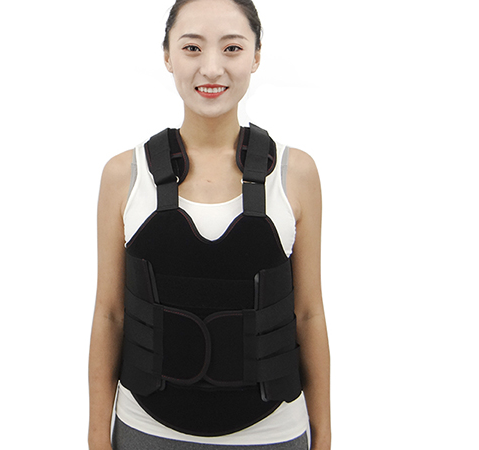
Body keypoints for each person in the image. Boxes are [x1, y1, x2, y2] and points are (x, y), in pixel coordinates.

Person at [88, 0, 331, 448]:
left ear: (256, 56)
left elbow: (309, 313)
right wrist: (96, 437)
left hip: (273, 434)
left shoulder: (295, 174)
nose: (212, 68)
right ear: (168, 56)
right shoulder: (125, 175)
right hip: (146, 431)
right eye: (192, 48)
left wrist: (326, 436)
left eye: (232, 48)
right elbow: (110, 314)